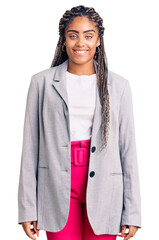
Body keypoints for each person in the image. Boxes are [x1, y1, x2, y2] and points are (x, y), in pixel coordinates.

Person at [17, 5, 142, 240]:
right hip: (56, 184)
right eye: (73, 35)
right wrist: (27, 209)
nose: (80, 43)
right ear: (63, 40)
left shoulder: (119, 86)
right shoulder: (41, 83)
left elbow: (128, 151)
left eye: (88, 35)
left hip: (106, 186)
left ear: (98, 41)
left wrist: (132, 212)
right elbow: (30, 149)